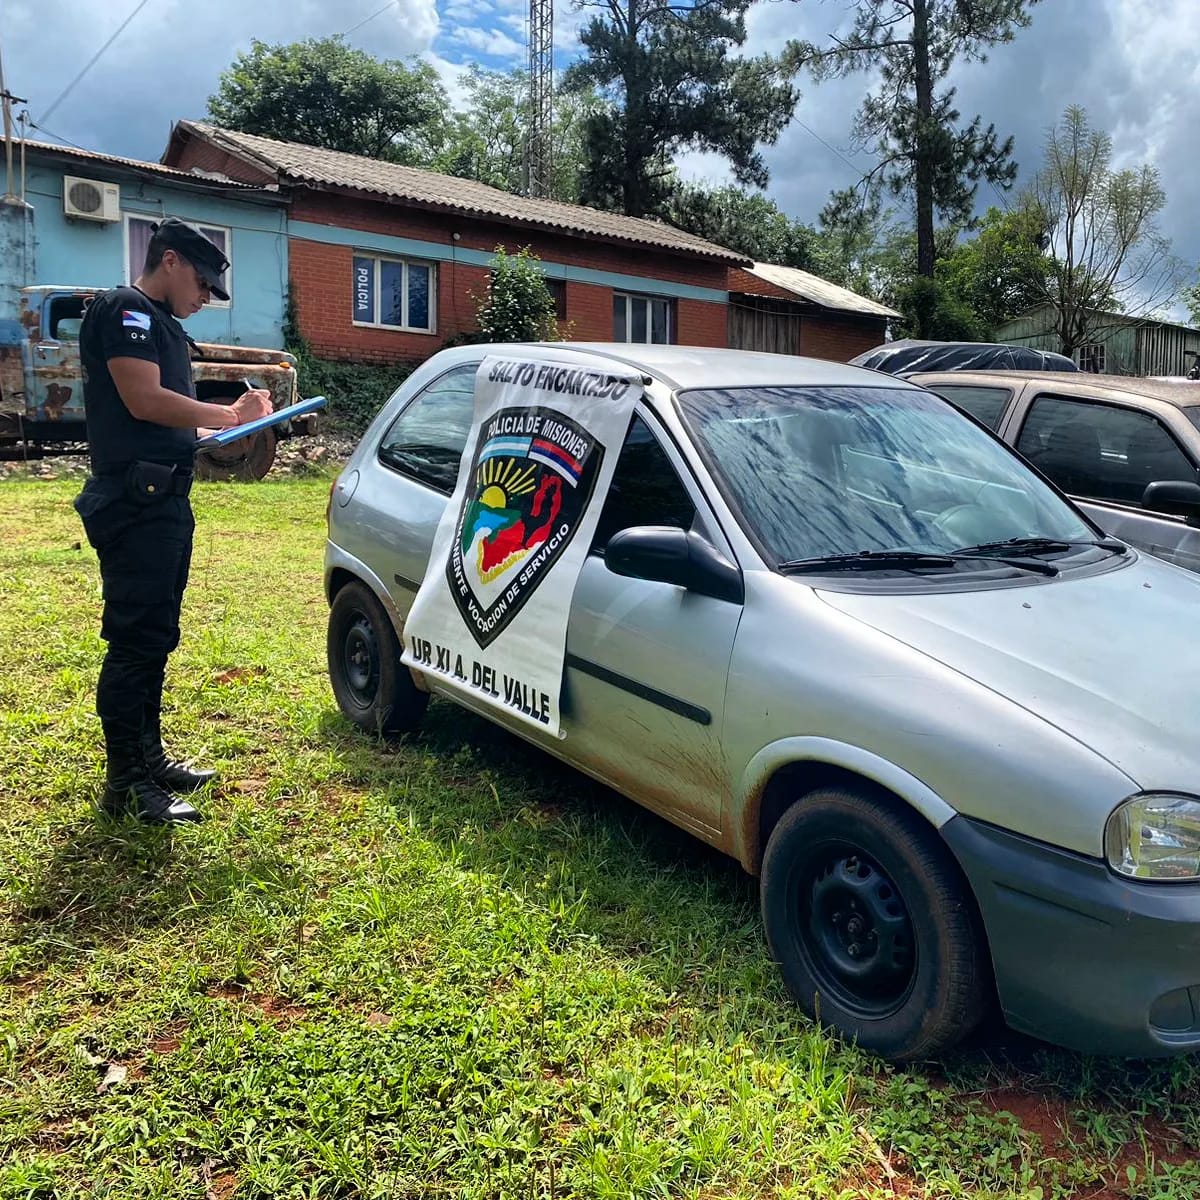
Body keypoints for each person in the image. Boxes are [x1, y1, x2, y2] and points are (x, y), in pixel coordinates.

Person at [74, 218, 273, 824]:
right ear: (169, 261)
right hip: (134, 504)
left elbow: (170, 423)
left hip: (162, 500)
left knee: (156, 636)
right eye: (203, 282)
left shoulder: (162, 325)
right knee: (135, 641)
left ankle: (148, 759)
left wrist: (230, 430)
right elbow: (143, 399)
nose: (206, 297)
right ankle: (126, 783)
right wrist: (224, 409)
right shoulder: (124, 310)